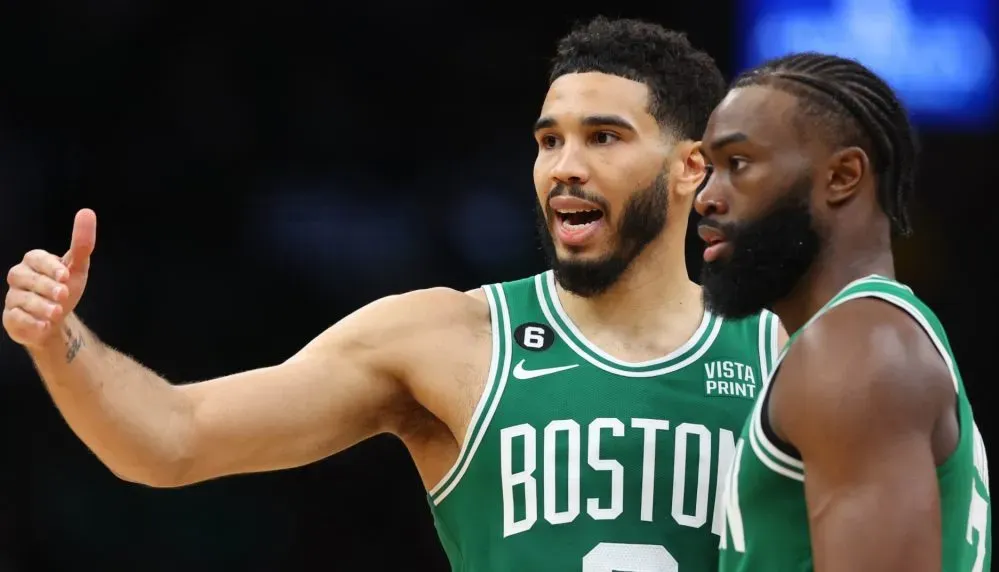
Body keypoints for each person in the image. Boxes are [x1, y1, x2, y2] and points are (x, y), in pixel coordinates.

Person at [2, 17, 783, 571]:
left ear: (690, 167)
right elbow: (173, 438)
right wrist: (61, 340)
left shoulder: (788, 351)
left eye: (603, 137)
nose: (563, 166)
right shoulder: (449, 337)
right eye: (549, 140)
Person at [695, 52, 992, 571]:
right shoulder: (873, 337)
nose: (706, 198)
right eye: (709, 169)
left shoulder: (855, 349)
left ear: (842, 176)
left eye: (737, 164)